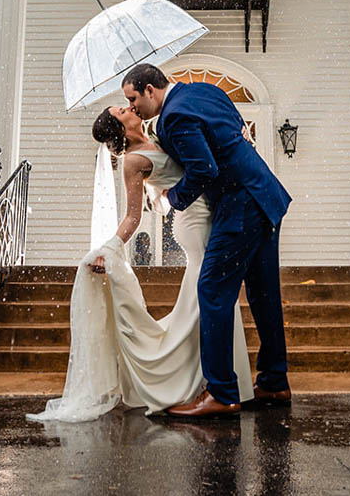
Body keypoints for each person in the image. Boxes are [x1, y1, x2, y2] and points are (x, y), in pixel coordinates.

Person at [27, 103, 253, 422]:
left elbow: (170, 188)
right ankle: (209, 386)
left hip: (209, 216)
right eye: (121, 109)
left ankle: (221, 385)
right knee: (213, 299)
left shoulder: (160, 138)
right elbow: (134, 215)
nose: (129, 106)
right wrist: (111, 247)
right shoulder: (132, 161)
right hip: (194, 224)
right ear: (119, 126)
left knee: (211, 301)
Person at [123, 63, 291, 418]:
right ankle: (275, 382)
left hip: (239, 203)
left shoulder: (174, 117)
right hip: (264, 195)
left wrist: (170, 198)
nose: (134, 107)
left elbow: (204, 170)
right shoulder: (205, 91)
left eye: (134, 98)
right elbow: (235, 128)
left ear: (151, 90)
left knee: (212, 290)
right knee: (263, 294)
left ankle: (222, 393)